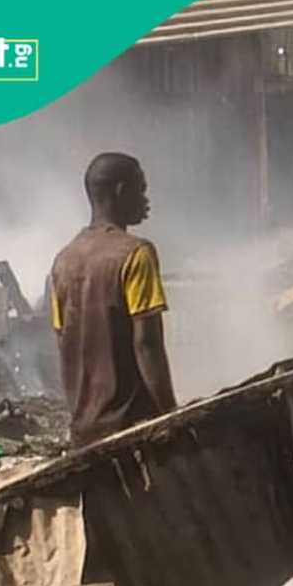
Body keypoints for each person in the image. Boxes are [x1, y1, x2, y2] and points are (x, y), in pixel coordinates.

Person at [50, 153, 177, 446]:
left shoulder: (63, 261)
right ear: (121, 191)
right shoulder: (136, 253)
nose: (146, 201)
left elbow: (63, 342)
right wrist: (170, 414)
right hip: (132, 427)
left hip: (84, 432)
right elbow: (147, 344)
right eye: (141, 190)